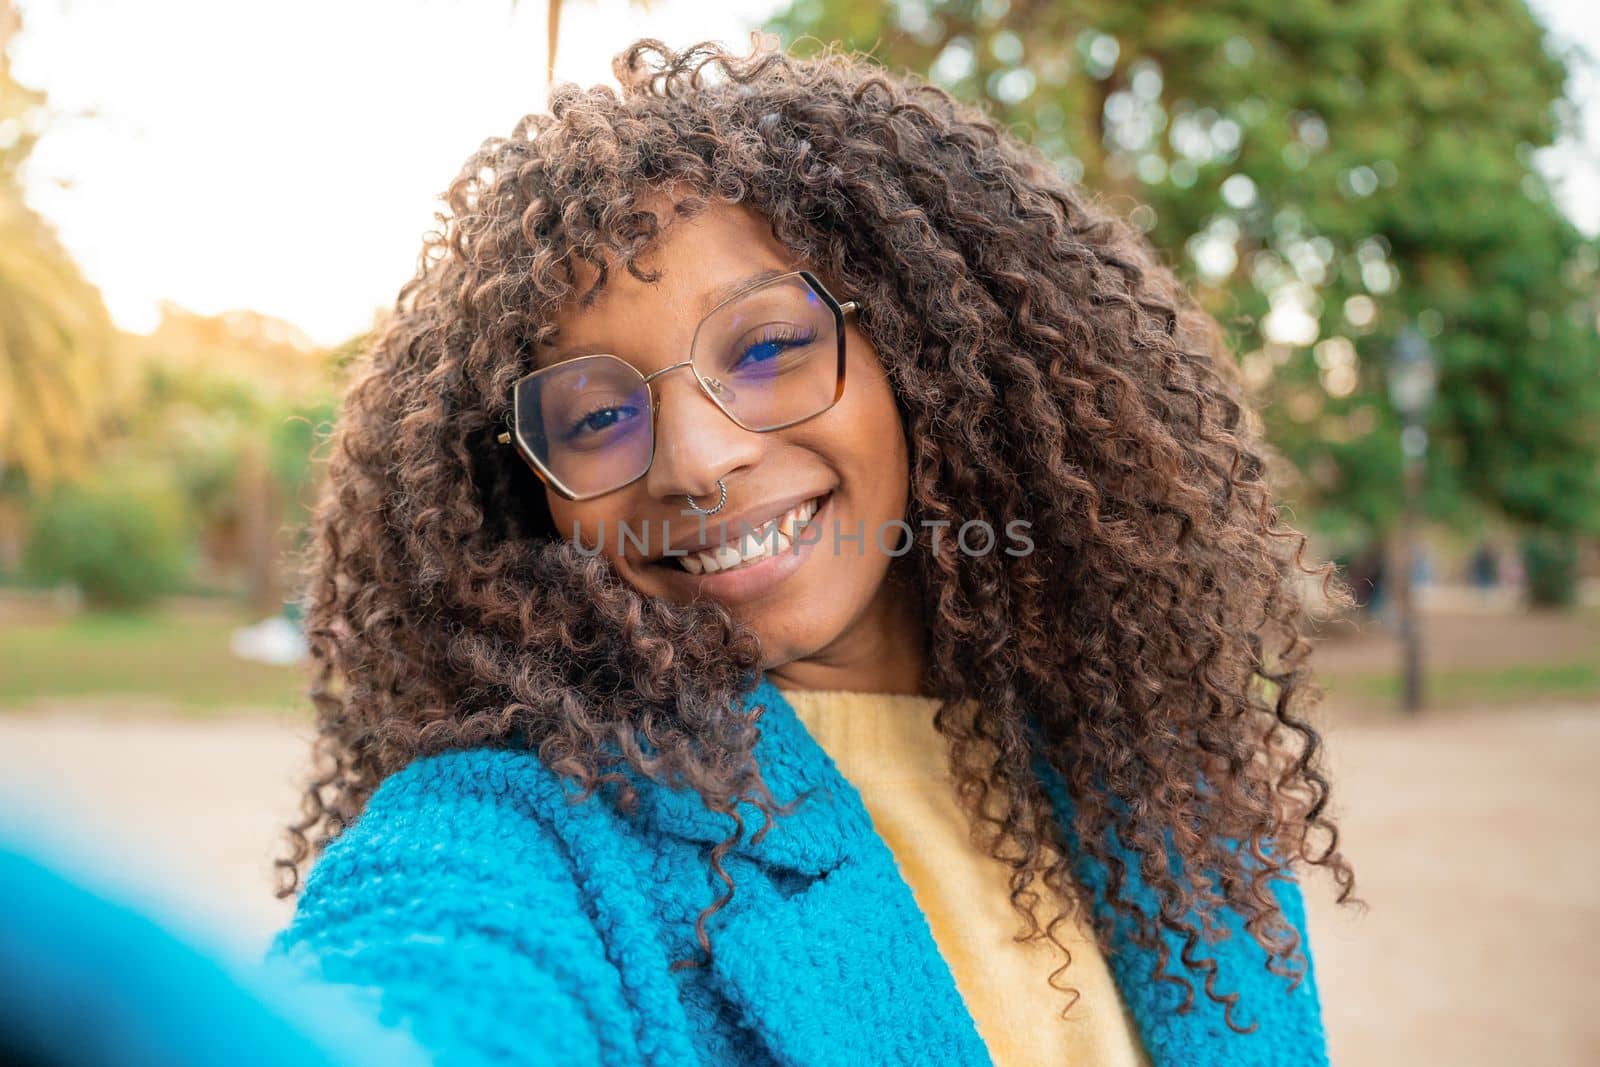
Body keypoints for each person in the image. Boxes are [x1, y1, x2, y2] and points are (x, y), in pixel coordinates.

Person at [266, 36, 1362, 1067]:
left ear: (929, 353)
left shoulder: (1145, 776)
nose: (695, 461)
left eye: (772, 344)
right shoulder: (519, 838)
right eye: (595, 418)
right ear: (524, 488)